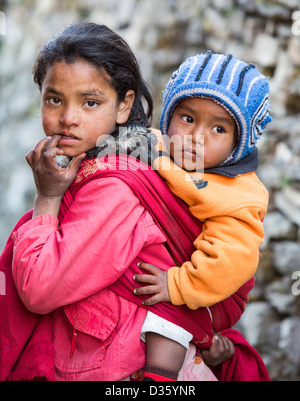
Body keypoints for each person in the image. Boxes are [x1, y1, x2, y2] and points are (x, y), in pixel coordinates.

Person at [1, 23, 239, 382]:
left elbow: (39, 289)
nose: (68, 118)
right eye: (54, 99)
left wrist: (47, 197)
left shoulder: (114, 186)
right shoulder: (111, 163)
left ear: (124, 106)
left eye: (90, 102)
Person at [133, 51, 272, 381]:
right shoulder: (164, 146)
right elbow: (143, 144)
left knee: (168, 321)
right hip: (194, 274)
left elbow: (230, 260)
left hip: (214, 288)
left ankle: (160, 380)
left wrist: (177, 284)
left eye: (219, 128)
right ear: (168, 118)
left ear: (239, 143)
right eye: (188, 118)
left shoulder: (237, 196)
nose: (197, 136)